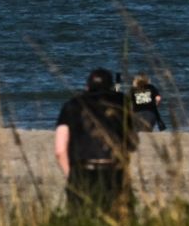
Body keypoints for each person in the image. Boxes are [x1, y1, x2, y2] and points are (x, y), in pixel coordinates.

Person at [55, 68, 136, 214]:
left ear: (87, 87)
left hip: (82, 171)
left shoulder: (72, 105)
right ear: (111, 87)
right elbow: (131, 143)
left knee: (80, 221)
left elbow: (60, 150)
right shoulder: (122, 103)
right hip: (114, 171)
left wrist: (71, 175)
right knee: (119, 220)